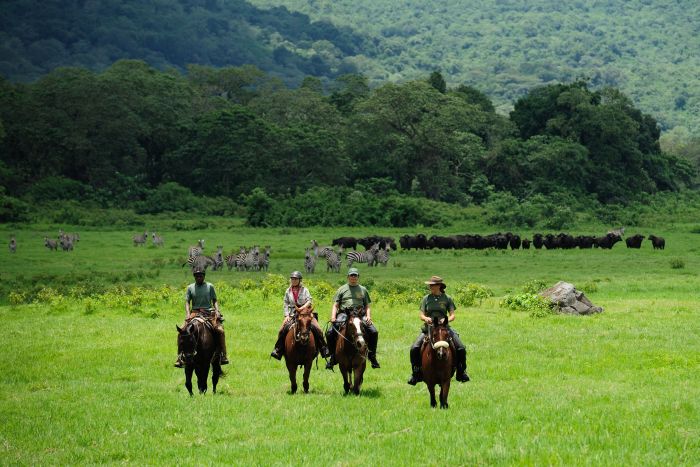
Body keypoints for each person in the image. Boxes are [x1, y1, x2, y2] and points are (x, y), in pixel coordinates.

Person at [407, 275, 470, 385]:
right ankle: (416, 373)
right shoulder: (426, 298)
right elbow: (421, 315)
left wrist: (444, 320)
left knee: (461, 348)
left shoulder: (447, 298)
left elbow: (452, 315)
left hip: (444, 329)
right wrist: (426, 318)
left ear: (439, 286)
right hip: (429, 329)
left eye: (432, 285)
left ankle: (461, 372)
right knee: (414, 348)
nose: (430, 287)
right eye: (430, 285)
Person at [325, 267, 380, 370]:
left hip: (360, 314)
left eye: (355, 275)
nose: (353, 277)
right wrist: (333, 317)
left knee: (374, 331)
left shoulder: (363, 289)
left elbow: (367, 306)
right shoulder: (342, 289)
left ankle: (372, 356)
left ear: (358, 277)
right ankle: (333, 356)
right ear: (348, 277)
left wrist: (368, 316)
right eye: (351, 275)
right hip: (344, 313)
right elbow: (336, 305)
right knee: (329, 332)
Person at [174, 268, 229, 368]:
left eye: (201, 276)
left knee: (220, 330)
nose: (199, 278)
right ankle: (179, 357)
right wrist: (187, 314)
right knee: (181, 332)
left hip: (208, 313)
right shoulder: (190, 287)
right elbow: (187, 302)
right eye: (197, 276)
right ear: (194, 277)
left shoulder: (210, 286)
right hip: (194, 313)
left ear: (204, 276)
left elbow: (215, 300)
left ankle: (223, 355)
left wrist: (217, 310)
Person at [270, 271, 330, 360]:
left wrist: (302, 308)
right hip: (292, 314)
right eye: (292, 279)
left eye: (295, 279)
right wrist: (286, 315)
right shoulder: (288, 290)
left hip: (305, 313)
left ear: (299, 280)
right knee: (281, 330)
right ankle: (278, 350)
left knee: (318, 329)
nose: (293, 280)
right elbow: (285, 303)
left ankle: (323, 349)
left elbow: (309, 300)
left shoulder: (305, 289)